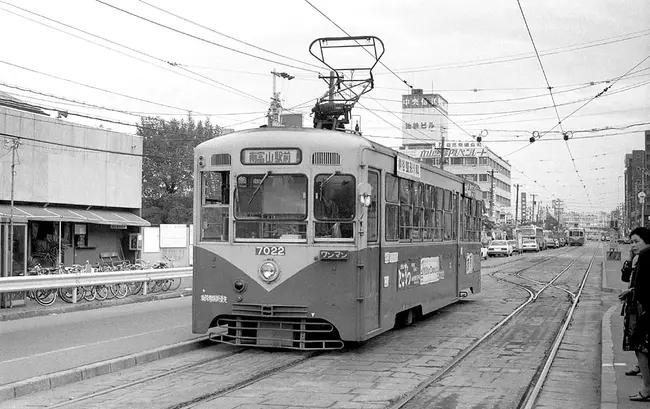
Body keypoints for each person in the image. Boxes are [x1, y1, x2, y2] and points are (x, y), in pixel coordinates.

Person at [619, 227, 650, 401]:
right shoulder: (640, 259)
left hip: (643, 308)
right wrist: (630, 259)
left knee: (640, 344)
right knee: (638, 343)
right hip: (637, 306)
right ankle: (641, 368)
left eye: (636, 241)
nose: (633, 245)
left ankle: (646, 387)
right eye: (631, 242)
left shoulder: (647, 258)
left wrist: (633, 291)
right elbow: (625, 278)